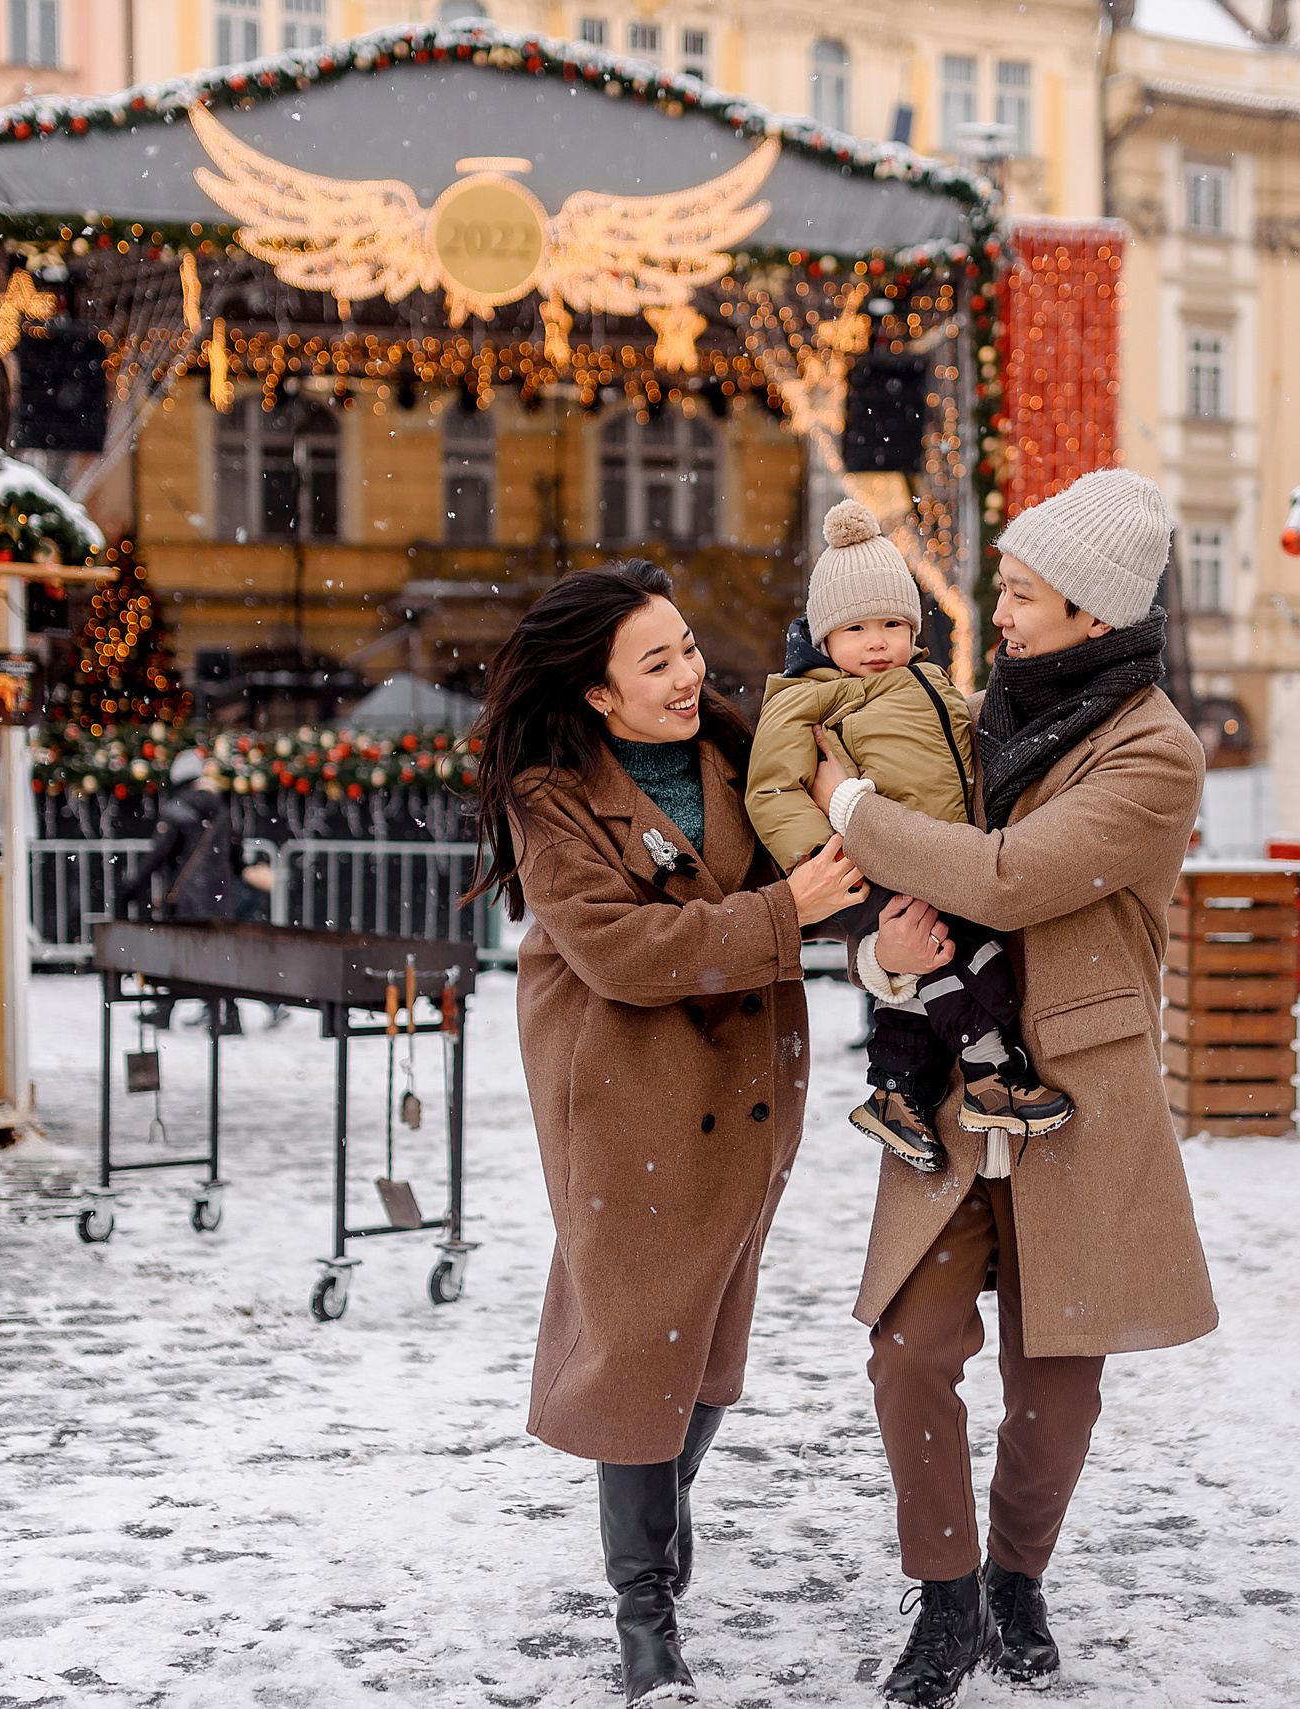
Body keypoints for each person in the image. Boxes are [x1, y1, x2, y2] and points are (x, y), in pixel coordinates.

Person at [808, 468, 1217, 1705]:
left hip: (1072, 1099)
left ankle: (1016, 1577)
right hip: (947, 1079)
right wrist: (881, 959)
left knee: (1057, 1376)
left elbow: (1002, 875)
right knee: (908, 1349)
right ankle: (943, 1592)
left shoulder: (1155, 752)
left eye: (1026, 595)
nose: (1002, 614)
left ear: (1092, 611)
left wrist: (846, 798)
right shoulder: (975, 715)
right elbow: (903, 899)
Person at [468, 560, 867, 1708]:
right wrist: (784, 914)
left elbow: (835, 848)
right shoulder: (551, 794)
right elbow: (618, 951)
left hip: (744, 1088)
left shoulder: (744, 752)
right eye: (657, 661)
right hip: (623, 1093)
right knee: (641, 1341)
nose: (690, 673)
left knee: (705, 1351)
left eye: (688, 647)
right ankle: (644, 1610)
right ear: (598, 693)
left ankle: (659, 1494)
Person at [745, 499, 1071, 1175]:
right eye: (857, 627)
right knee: (948, 957)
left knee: (948, 958)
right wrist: (822, 859)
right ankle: (989, 1076)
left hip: (932, 853)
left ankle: (897, 1091)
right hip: (865, 861)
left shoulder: (926, 679)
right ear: (824, 637)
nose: (878, 641)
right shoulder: (809, 696)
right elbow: (771, 788)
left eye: (893, 623)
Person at [119, 748, 274, 1033]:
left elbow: (158, 854)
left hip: (186, 899)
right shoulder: (221, 809)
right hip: (218, 900)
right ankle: (229, 1016)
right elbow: (237, 857)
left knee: (177, 958)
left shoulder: (176, 808)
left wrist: (132, 886)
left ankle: (164, 1011)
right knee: (217, 958)